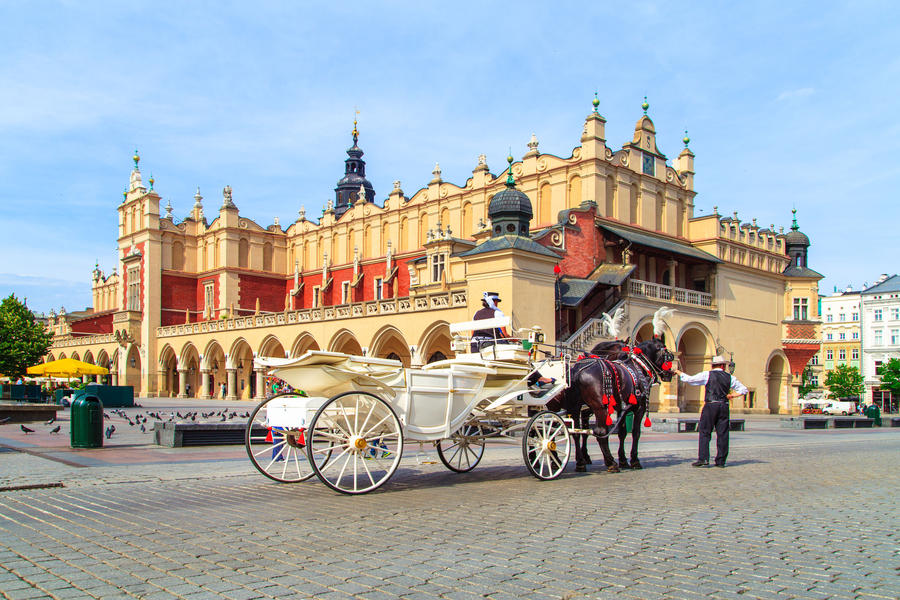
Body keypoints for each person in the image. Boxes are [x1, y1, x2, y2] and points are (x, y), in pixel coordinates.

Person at [673, 356, 747, 468]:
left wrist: (678, 372)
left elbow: (690, 379)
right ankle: (721, 461)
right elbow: (743, 390)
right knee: (723, 433)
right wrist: (732, 395)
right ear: (723, 366)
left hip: (711, 405)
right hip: (724, 405)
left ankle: (703, 458)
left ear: (713, 365)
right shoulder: (730, 377)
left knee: (705, 432)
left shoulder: (707, 375)